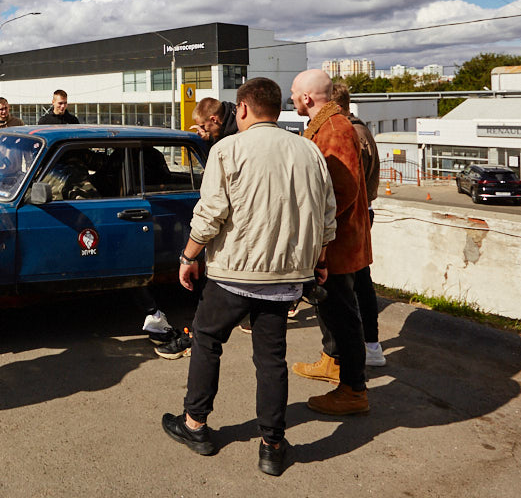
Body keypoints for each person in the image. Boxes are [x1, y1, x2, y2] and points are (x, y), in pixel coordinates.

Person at [160, 77, 335, 477]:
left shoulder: (227, 150)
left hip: (233, 275)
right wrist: (320, 259)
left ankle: (195, 425)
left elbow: (210, 213)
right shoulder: (309, 152)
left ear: (241, 109)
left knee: (206, 340)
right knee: (270, 358)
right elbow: (327, 216)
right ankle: (272, 446)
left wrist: (189, 255)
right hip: (286, 278)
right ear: (277, 110)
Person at [289, 69, 374, 415]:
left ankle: (353, 390)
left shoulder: (335, 128)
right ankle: (335, 366)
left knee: (343, 314)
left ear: (307, 98)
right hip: (335, 241)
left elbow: (342, 190)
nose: (292, 98)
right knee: (334, 310)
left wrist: (315, 234)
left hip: (337, 244)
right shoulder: (327, 124)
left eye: (294, 93)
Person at [153, 96, 243, 358]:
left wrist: (188, 254)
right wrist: (206, 134)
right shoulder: (229, 126)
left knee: (212, 290)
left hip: (231, 230)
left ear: (215, 120)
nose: (202, 133)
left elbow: (214, 206)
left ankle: (195, 339)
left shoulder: (230, 142)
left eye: (204, 127)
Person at [332, 81, 387, 367]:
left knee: (355, 284)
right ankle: (369, 344)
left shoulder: (351, 133)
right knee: (360, 282)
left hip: (355, 215)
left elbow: (349, 184)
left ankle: (363, 347)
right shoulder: (361, 130)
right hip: (363, 212)